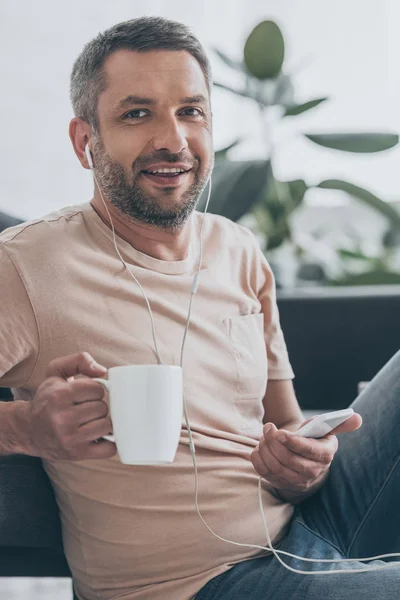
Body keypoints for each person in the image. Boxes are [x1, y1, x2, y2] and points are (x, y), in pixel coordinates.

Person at [0, 15, 399, 600]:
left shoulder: (236, 248)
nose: (173, 140)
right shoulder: (24, 264)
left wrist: (305, 463)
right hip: (192, 584)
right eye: (137, 113)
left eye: (191, 111)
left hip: (306, 527)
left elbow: (285, 422)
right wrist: (25, 428)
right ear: (86, 141)